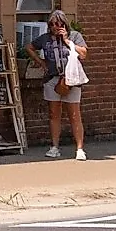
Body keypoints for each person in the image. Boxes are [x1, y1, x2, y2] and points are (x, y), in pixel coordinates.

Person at [37, 9, 90, 159]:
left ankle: (80, 148)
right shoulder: (45, 39)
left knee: (74, 114)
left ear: (64, 24)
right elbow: (30, 47)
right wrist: (41, 62)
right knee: (54, 114)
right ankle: (54, 146)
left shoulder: (75, 36)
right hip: (52, 78)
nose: (55, 27)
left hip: (71, 79)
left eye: (58, 24)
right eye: (52, 24)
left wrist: (67, 41)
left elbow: (84, 54)